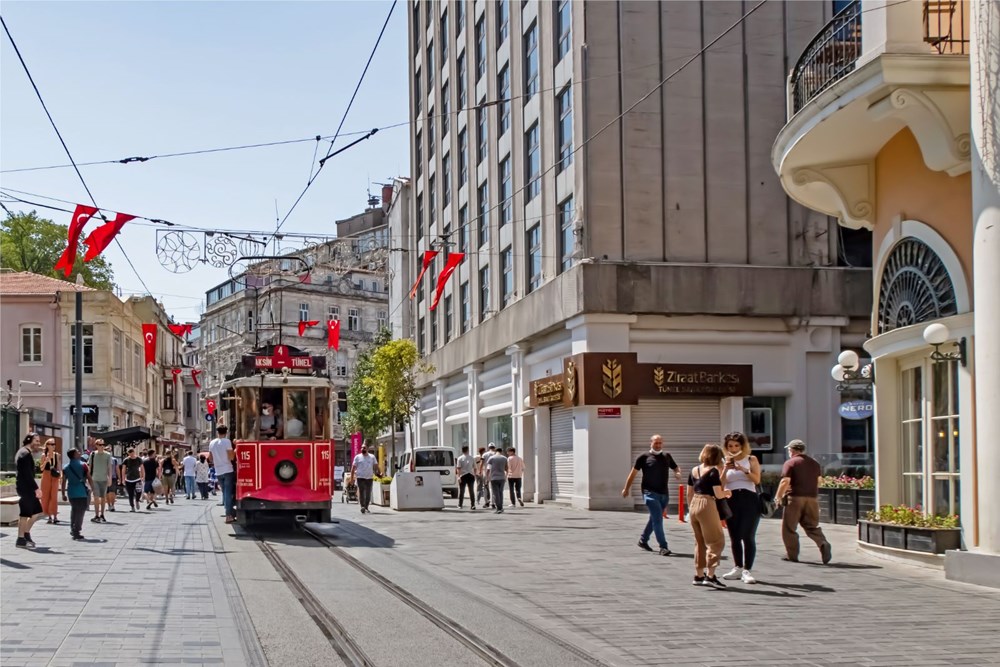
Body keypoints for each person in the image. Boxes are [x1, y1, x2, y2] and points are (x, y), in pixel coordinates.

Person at [621, 434, 681, 556]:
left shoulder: (667, 456)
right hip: (649, 493)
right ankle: (663, 546)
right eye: (655, 443)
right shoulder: (643, 457)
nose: (658, 445)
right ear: (651, 443)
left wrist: (677, 473)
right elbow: (632, 474)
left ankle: (643, 540)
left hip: (664, 493)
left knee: (654, 518)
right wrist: (626, 489)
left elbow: (675, 467)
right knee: (658, 519)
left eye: (660, 443)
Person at [775, 439, 832, 564]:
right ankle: (823, 542)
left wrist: (778, 497)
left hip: (794, 498)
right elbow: (819, 481)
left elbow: (785, 481)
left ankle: (792, 554)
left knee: (789, 528)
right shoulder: (814, 463)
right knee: (811, 526)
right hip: (812, 499)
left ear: (792, 450)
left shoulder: (791, 463)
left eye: (789, 450)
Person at [720, 432, 762, 584]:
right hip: (731, 499)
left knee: (748, 535)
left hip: (749, 499)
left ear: (742, 446)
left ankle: (747, 570)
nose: (733, 448)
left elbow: (757, 479)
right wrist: (725, 468)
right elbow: (721, 484)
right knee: (734, 536)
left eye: (736, 445)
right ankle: (737, 567)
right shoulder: (724, 460)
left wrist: (742, 469)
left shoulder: (751, 459)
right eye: (730, 446)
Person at [687, 444, 730, 587]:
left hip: (694, 503)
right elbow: (718, 494)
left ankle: (699, 575)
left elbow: (689, 492)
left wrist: (690, 508)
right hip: (707, 504)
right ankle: (710, 576)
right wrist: (728, 493)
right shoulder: (713, 472)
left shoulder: (694, 470)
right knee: (716, 541)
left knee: (699, 541)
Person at [14, 433, 45, 549]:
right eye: (36, 441)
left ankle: (25, 534)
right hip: (25, 488)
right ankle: (20, 539)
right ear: (29, 440)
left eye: (38, 441)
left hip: (26, 487)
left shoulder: (24, 452)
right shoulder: (25, 454)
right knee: (25, 514)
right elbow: (27, 475)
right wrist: (36, 488)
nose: (38, 443)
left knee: (36, 511)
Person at [61, 448, 92, 540]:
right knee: (81, 511)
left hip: (71, 492)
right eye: (78, 452)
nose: (80, 453)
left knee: (74, 510)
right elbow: (89, 477)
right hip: (81, 491)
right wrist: (93, 488)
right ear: (74, 454)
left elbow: (63, 481)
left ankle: (72, 527)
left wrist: (63, 493)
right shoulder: (83, 465)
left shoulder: (66, 467)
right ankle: (76, 530)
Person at [209, 426, 236, 523]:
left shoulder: (212, 443)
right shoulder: (227, 441)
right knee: (228, 493)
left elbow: (210, 458)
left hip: (218, 471)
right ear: (226, 432)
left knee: (225, 493)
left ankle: (229, 512)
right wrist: (236, 450)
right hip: (227, 469)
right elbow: (231, 457)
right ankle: (228, 515)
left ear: (217, 432)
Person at [350, 443, 381, 514]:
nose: (362, 449)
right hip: (360, 477)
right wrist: (352, 479)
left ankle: (366, 506)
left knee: (368, 493)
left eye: (364, 448)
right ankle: (362, 506)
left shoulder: (372, 457)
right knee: (361, 492)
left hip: (369, 477)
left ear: (367, 449)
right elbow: (353, 468)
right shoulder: (357, 457)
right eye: (361, 448)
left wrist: (380, 472)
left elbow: (376, 466)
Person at [89, 439, 113, 523]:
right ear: (96, 445)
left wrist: (110, 478)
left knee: (103, 498)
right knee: (96, 497)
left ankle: (102, 514)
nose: (102, 446)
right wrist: (88, 479)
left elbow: (109, 467)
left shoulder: (108, 455)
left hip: (104, 479)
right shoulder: (92, 454)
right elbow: (90, 467)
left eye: (103, 444)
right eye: (100, 444)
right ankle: (96, 515)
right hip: (94, 478)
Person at [39, 438, 61, 525]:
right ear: (47, 445)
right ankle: (49, 516)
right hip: (46, 475)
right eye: (51, 444)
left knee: (54, 496)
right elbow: (41, 468)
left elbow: (59, 466)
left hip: (54, 476)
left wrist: (61, 475)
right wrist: (46, 461)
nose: (53, 446)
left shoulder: (57, 455)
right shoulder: (43, 455)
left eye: (54, 444)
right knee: (46, 496)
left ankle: (55, 516)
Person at [486, 447, 508, 514]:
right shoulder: (504, 458)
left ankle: (498, 508)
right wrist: (505, 476)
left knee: (496, 494)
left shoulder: (491, 458)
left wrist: (487, 478)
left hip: (494, 478)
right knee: (500, 493)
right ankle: (501, 507)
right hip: (502, 478)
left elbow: (488, 469)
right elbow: (506, 469)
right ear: (501, 451)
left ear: (495, 451)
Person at [455, 445, 476, 510]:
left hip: (463, 475)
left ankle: (460, 504)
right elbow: (475, 467)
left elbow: (458, 468)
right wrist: (474, 475)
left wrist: (458, 477)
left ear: (462, 450)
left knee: (462, 491)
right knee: (471, 490)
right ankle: (473, 505)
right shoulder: (472, 458)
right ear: (468, 450)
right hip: (470, 475)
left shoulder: (460, 458)